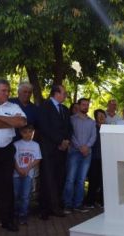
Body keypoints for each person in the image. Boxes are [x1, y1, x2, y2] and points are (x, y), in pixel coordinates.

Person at [0, 79, 27, 232]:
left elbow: (21, 122)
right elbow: (14, 122)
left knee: (6, 187)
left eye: (8, 91)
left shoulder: (14, 106)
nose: (7, 93)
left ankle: (7, 221)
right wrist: (10, 121)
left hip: (7, 151)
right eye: (3, 91)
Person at [37, 84, 71, 220]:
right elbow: (44, 127)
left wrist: (66, 141)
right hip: (48, 149)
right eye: (64, 93)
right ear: (56, 93)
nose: (66, 95)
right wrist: (59, 141)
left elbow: (69, 127)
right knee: (47, 178)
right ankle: (44, 209)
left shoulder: (65, 109)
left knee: (59, 178)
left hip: (62, 150)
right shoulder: (44, 106)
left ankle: (55, 205)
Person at [63, 98, 96, 214]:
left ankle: (78, 204)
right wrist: (80, 147)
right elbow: (71, 135)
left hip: (87, 154)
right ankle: (67, 205)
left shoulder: (92, 122)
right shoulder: (71, 120)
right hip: (74, 153)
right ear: (79, 105)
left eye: (87, 105)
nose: (85, 106)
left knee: (81, 180)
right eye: (83, 104)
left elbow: (93, 137)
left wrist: (86, 147)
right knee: (70, 179)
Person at [13, 125, 42, 225]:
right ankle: (15, 213)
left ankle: (23, 215)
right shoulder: (16, 144)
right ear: (21, 132)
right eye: (25, 132)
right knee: (16, 195)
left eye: (30, 132)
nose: (28, 134)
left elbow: (38, 158)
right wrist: (19, 169)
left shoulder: (35, 145)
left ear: (33, 132)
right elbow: (13, 159)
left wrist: (27, 168)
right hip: (16, 175)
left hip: (28, 174)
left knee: (26, 196)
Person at [85, 109, 106, 208]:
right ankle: (90, 202)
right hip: (93, 158)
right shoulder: (92, 128)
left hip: (105, 159)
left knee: (103, 181)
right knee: (93, 181)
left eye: (103, 115)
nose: (101, 117)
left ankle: (102, 201)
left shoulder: (108, 128)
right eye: (99, 115)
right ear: (95, 117)